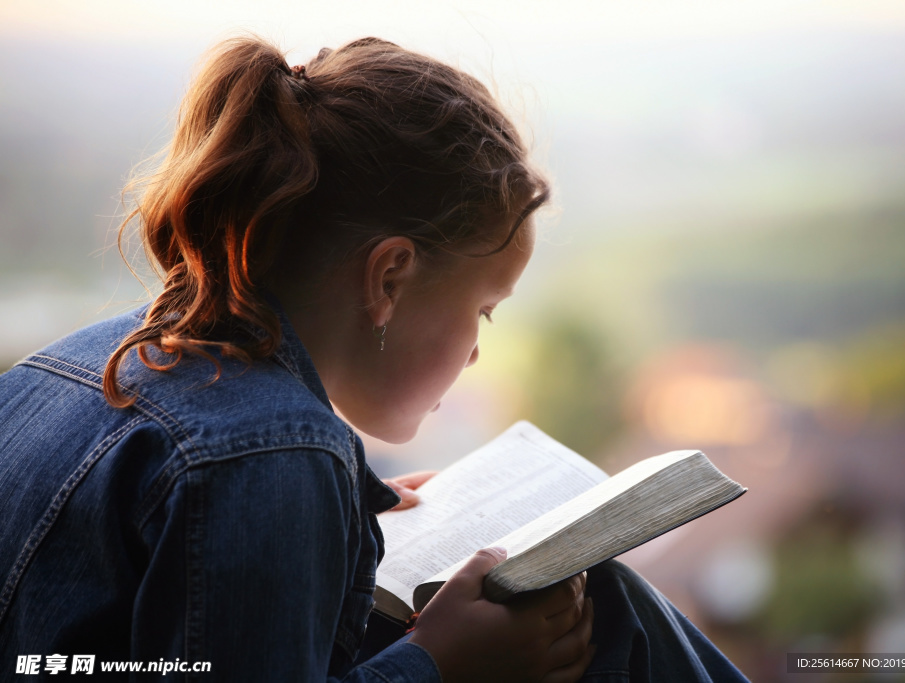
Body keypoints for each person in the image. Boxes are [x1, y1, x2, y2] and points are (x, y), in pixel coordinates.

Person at [0, 36, 747, 681]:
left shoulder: (55, 370)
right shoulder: (275, 453)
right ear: (389, 278)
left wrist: (354, 514)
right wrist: (443, 664)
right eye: (482, 308)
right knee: (597, 602)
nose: (481, 347)